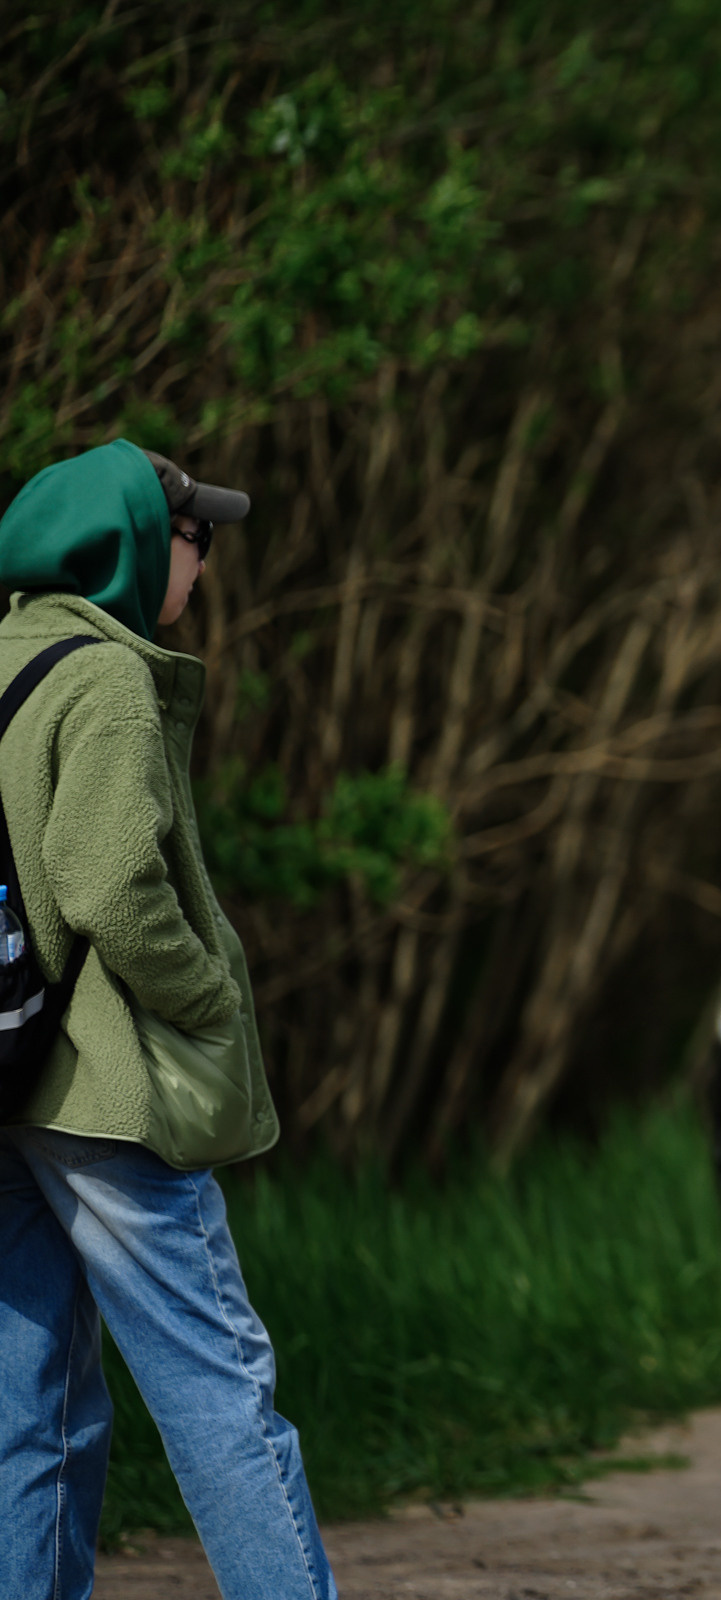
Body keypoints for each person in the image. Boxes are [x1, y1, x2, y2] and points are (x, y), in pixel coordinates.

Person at [0, 441, 338, 1599]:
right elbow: (106, 887)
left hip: (8, 1083)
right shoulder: (104, 675)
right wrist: (206, 993)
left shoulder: (4, 650)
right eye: (198, 537)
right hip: (103, 1088)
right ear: (140, 545)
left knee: (30, 1400)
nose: (205, 561)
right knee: (220, 1384)